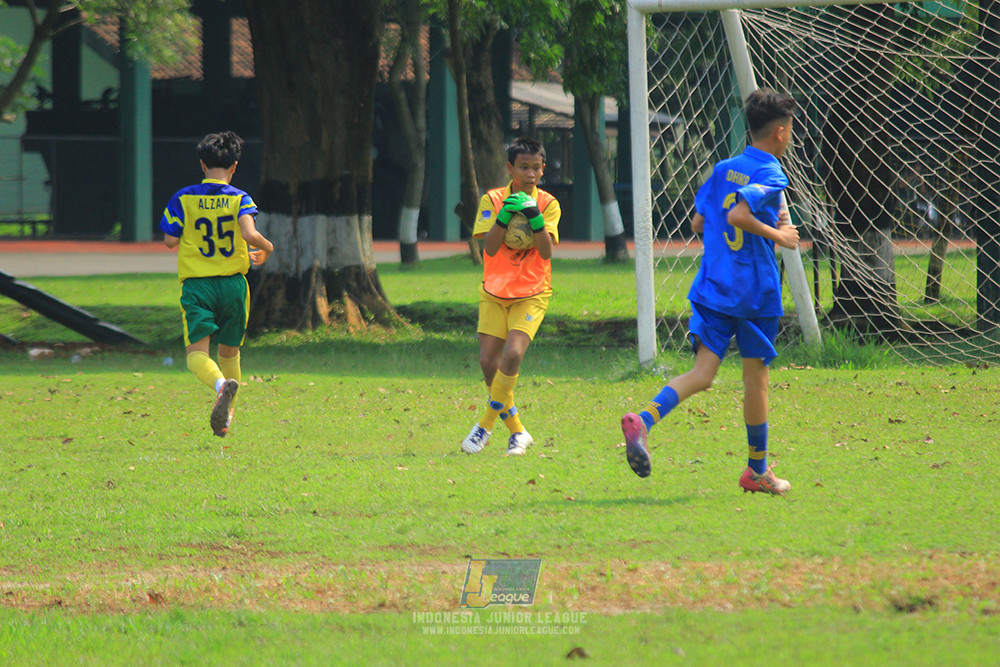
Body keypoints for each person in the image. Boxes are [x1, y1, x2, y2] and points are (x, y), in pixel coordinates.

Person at [620, 88, 800, 495]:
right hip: (752, 294)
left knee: (702, 374)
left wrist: (748, 226)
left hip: (712, 287)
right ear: (781, 133)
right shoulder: (772, 172)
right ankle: (757, 471)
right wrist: (779, 235)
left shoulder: (723, 168)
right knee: (756, 381)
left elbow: (701, 223)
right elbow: (739, 212)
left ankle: (644, 421)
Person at [159, 131, 274, 438]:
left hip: (198, 286)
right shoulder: (240, 198)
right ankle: (228, 413)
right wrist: (268, 247)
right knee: (230, 352)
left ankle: (221, 386)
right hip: (234, 285)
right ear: (234, 167)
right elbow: (250, 236)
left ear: (202, 164)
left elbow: (170, 241)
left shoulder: (183, 198)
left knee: (196, 354)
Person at [461, 136, 561, 456]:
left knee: (513, 355)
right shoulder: (492, 199)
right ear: (510, 168)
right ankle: (518, 432)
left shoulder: (549, 204)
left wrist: (533, 215)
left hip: (532, 292)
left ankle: (484, 426)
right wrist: (505, 215)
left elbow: (545, 252)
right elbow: (488, 247)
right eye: (523, 168)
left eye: (535, 168)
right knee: (488, 362)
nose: (530, 174)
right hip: (494, 290)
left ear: (543, 170)